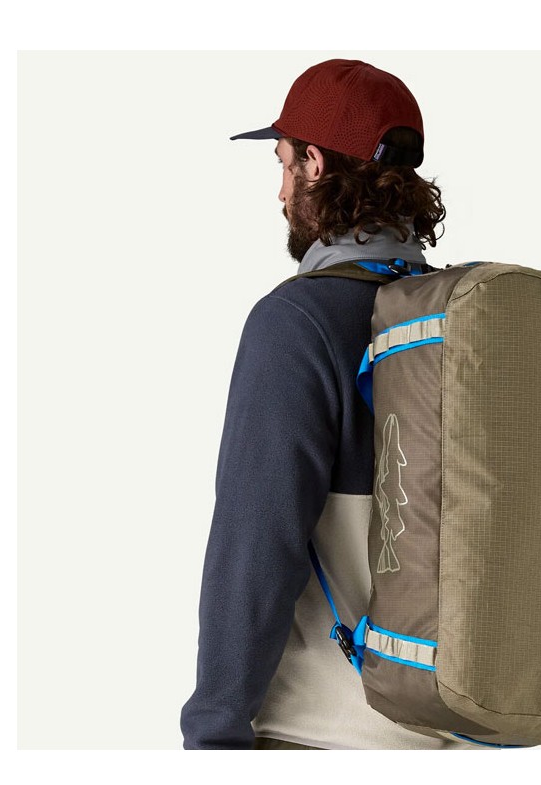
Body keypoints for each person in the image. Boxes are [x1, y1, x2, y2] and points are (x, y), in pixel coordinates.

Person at [180, 58, 474, 750]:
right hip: (462, 735)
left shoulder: (297, 322)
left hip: (327, 737)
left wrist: (213, 735)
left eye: (284, 165)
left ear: (314, 164)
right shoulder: (464, 322)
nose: (280, 192)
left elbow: (254, 549)